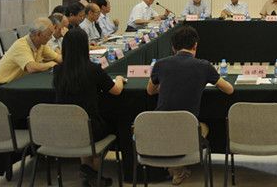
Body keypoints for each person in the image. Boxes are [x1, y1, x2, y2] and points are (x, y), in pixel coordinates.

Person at [146, 26, 234, 185]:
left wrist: (168, 85)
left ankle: (175, 167)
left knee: (174, 128)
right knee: (202, 127)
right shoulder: (204, 66)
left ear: (173, 47)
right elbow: (229, 89)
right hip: (186, 130)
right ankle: (178, 167)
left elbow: (150, 91)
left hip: (159, 129)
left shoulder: (160, 64)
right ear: (195, 45)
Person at [53, 28, 125, 185]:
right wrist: (119, 79)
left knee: (82, 127)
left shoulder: (57, 71)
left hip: (64, 127)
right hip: (91, 129)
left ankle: (87, 169)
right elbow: (116, 91)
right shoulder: (93, 69)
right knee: (110, 124)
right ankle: (95, 175)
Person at [0, 18, 63, 84]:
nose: (51, 37)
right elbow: (31, 68)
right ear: (38, 34)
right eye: (49, 34)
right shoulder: (21, 46)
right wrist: (50, 64)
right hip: (4, 85)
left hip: (19, 82)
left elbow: (58, 58)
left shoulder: (41, 44)